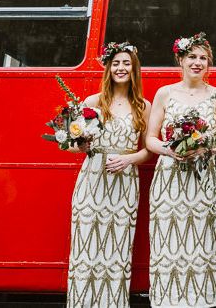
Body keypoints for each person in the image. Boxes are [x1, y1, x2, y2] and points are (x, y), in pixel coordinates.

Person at [146, 32, 216, 308]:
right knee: (167, 243)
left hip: (207, 180)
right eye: (191, 57)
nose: (197, 62)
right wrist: (171, 149)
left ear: (209, 63)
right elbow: (150, 138)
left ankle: (200, 301)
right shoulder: (164, 93)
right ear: (180, 59)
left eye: (203, 58)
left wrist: (206, 146)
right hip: (169, 179)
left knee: (203, 243)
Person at [66, 41, 151, 308]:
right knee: (86, 245)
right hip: (92, 179)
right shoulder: (93, 101)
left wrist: (129, 159)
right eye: (116, 63)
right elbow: (71, 143)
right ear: (108, 68)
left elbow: (148, 150)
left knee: (117, 247)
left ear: (134, 68)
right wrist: (80, 144)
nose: (121, 68)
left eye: (126, 63)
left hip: (125, 182)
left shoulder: (143, 106)